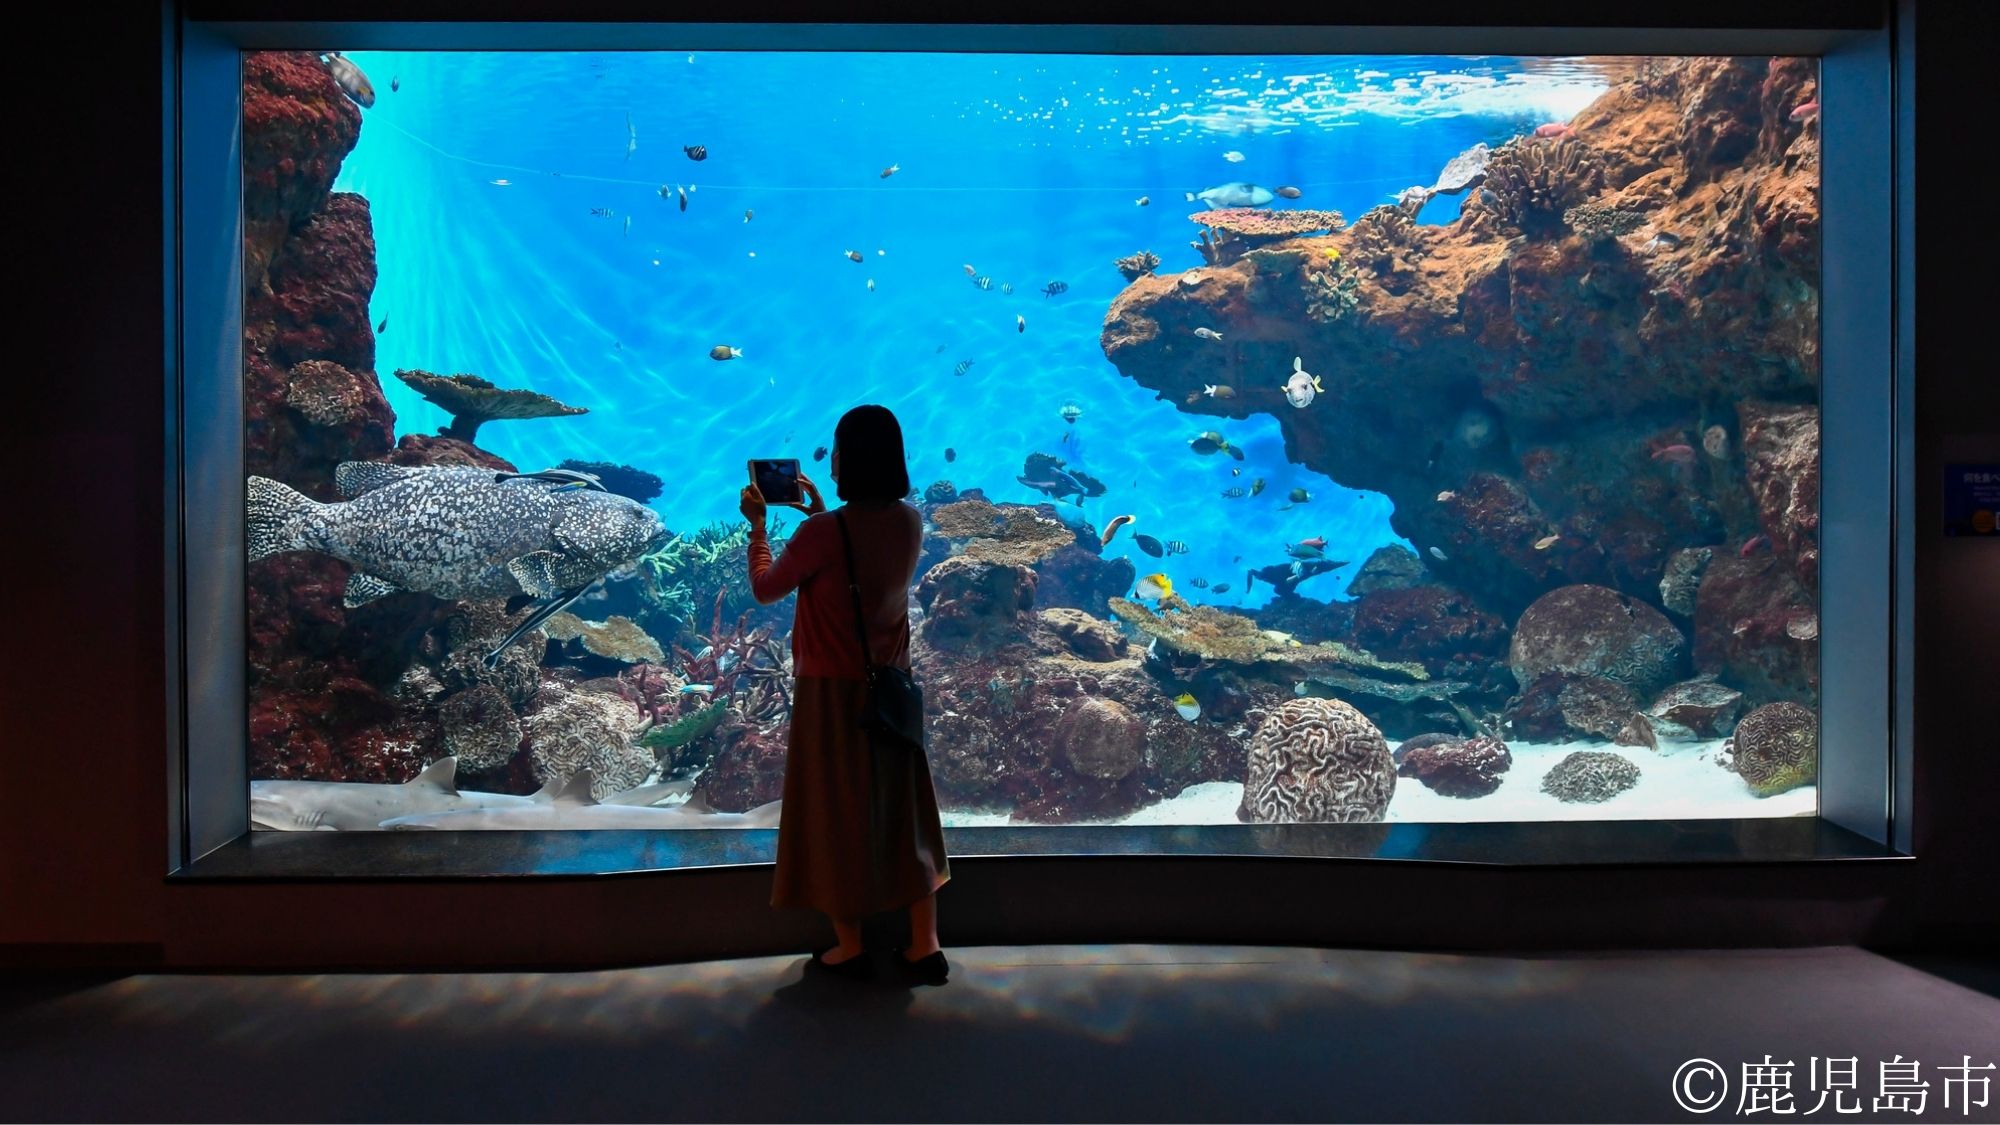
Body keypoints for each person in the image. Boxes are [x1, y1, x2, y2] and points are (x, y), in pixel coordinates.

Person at [741, 404, 951, 984]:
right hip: (892, 689)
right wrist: (820, 514)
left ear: (846, 459)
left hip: (831, 696)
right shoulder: (909, 521)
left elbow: (765, 589)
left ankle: (850, 946)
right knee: (903, 811)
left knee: (834, 810)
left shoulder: (820, 535)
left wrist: (758, 527)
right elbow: (860, 547)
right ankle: (925, 945)